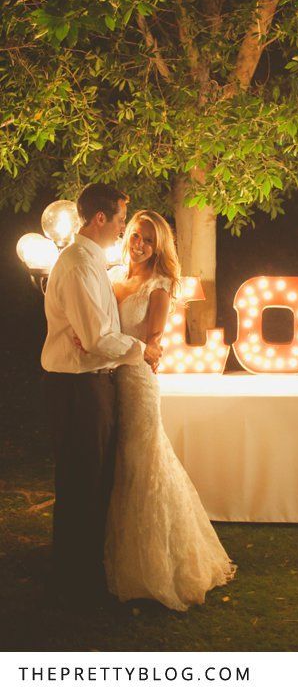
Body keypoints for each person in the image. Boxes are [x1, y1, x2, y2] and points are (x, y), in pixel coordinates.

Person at [104, 209, 235, 611]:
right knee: (118, 464)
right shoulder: (113, 278)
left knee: (144, 463)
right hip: (108, 378)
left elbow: (153, 343)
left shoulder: (159, 285)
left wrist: (133, 351)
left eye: (148, 239)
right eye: (135, 236)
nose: (139, 244)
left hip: (137, 381)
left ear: (158, 246)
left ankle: (156, 566)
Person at [41, 184, 162, 597]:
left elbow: (97, 334)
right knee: (80, 483)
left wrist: (109, 345)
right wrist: (143, 351)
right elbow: (97, 338)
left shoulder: (91, 263)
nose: (121, 230)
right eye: (119, 220)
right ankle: (73, 579)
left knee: (92, 481)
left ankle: (84, 570)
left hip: (93, 382)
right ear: (99, 219)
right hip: (78, 387)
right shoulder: (78, 265)